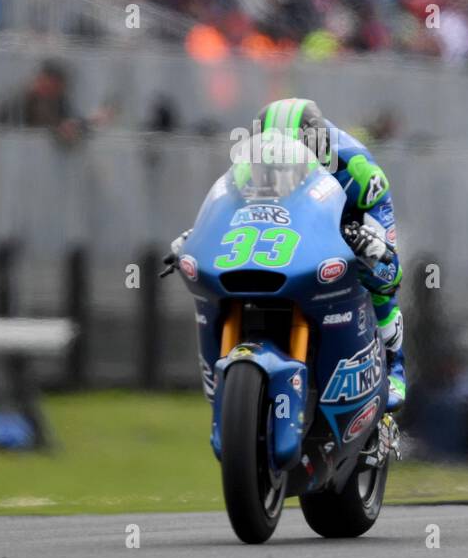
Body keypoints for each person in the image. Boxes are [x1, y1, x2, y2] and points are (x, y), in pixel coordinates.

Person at [167, 98, 407, 411]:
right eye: (268, 159)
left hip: (349, 218)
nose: (277, 168)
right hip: (285, 230)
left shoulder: (359, 171)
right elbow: (230, 209)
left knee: (381, 279)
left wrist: (371, 245)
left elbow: (391, 269)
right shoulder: (246, 169)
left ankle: (395, 368)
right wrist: (197, 236)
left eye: (287, 159)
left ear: (316, 148)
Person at [0, 59, 83, 143]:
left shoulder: (61, 103)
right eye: (45, 85)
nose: (48, 91)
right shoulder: (17, 103)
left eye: (55, 87)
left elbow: (73, 122)